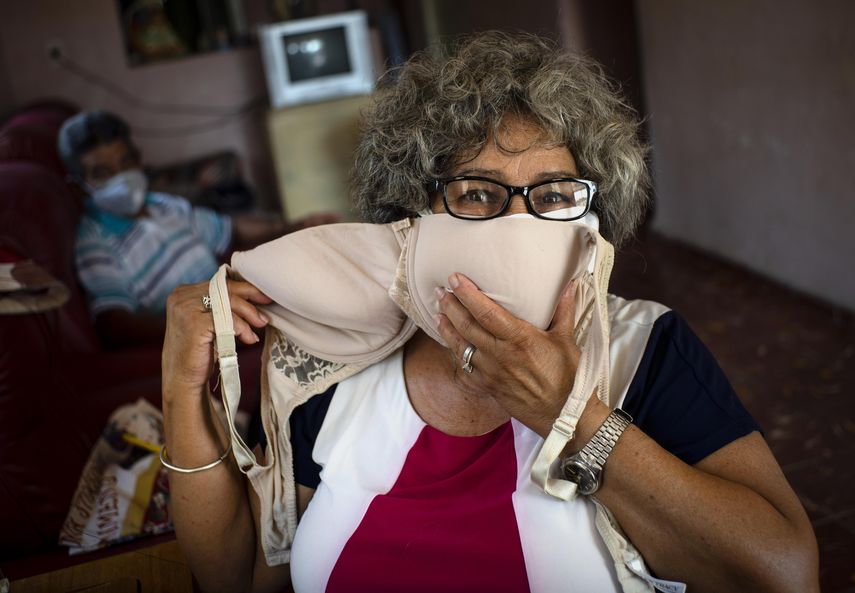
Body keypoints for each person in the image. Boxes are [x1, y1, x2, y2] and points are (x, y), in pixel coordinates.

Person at [161, 32, 819, 593]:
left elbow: (784, 574)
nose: (517, 221)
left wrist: (574, 416)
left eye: (553, 194)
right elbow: (239, 574)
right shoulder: (337, 359)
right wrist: (182, 389)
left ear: (591, 215)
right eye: (477, 193)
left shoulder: (641, 348)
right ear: (411, 212)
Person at [57, 110, 339, 349]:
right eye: (103, 173)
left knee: (325, 269)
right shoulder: (95, 243)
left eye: (126, 162)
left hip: (233, 300)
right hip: (209, 328)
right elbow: (115, 325)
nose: (121, 177)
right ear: (78, 187)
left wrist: (295, 227)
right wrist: (204, 322)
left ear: (139, 159)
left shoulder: (165, 205)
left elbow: (231, 231)